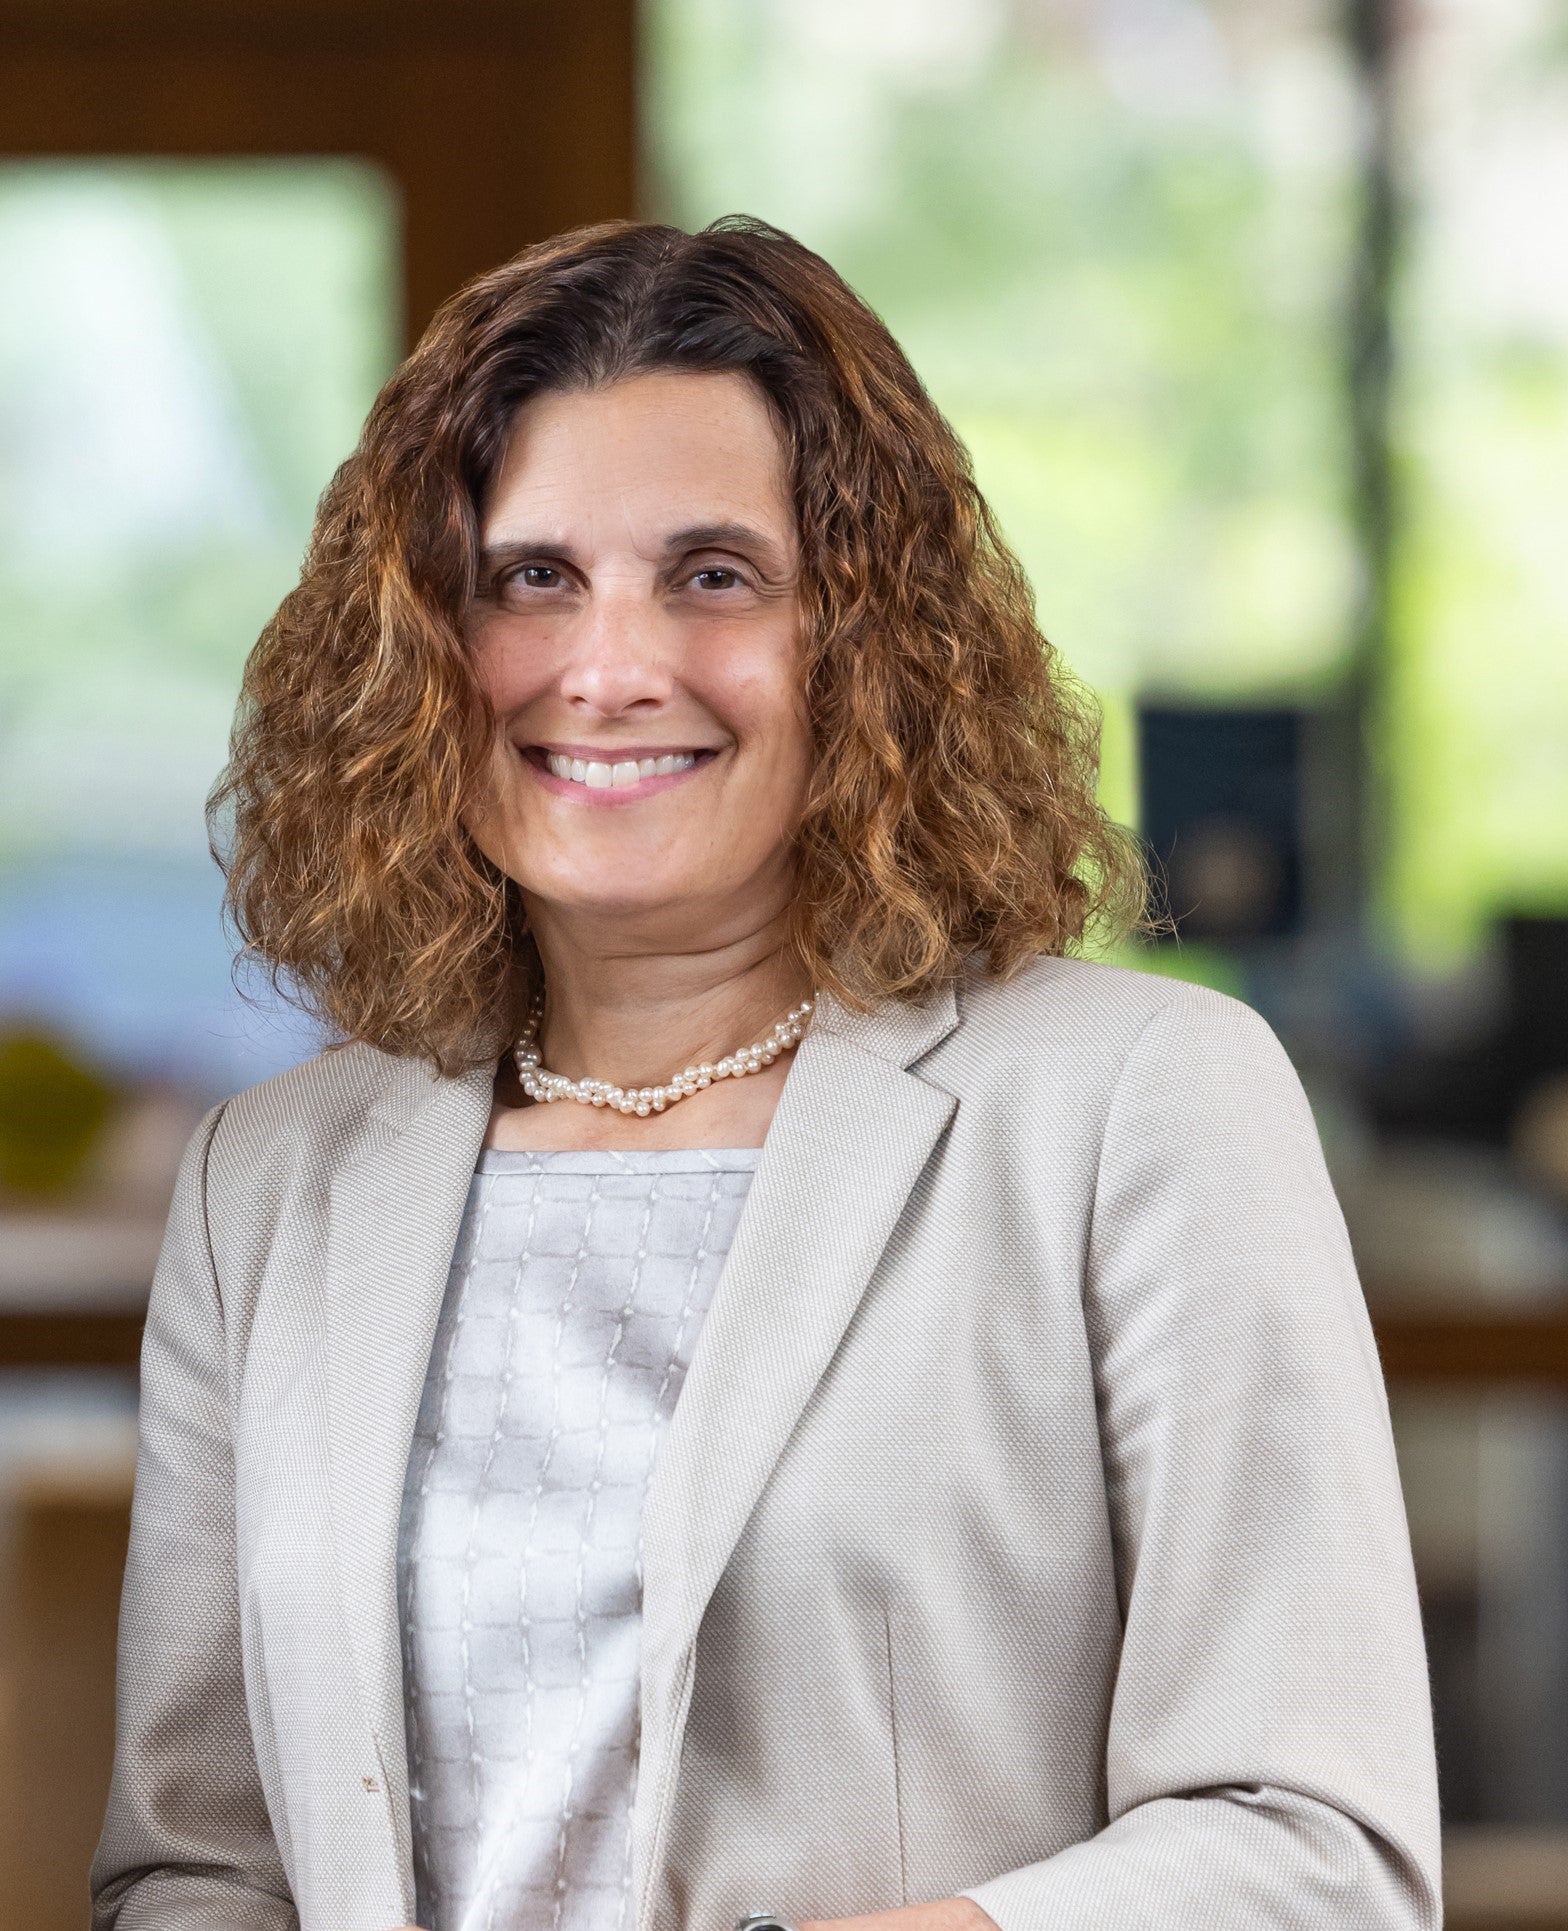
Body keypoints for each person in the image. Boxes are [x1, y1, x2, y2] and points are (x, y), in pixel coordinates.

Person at [91, 216, 1441, 1931]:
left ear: (868, 646)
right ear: (419, 648)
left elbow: (1317, 1854)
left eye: (715, 576)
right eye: (531, 578)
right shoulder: (270, 1182)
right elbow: (196, 1868)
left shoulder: (1141, 1106)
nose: (613, 669)